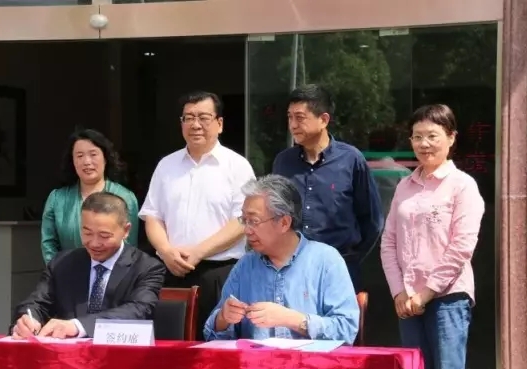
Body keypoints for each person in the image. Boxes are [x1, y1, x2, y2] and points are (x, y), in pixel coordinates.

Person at [380, 104, 484, 369]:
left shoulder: (462, 185)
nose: (424, 144)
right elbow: (388, 241)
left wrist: (425, 293)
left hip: (447, 300)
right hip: (409, 303)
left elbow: (461, 248)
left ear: (451, 138)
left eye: (432, 136)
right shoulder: (404, 186)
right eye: (417, 137)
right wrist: (398, 292)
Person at [139, 90, 255, 340]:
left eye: (203, 117)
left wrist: (199, 251)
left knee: (217, 347)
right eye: (188, 118)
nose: (195, 124)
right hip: (171, 270)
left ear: (219, 123)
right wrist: (166, 251)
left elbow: (242, 221)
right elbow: (153, 216)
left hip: (219, 274)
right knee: (169, 346)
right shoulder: (166, 165)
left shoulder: (237, 166)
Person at [204, 175, 360, 345]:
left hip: (311, 361)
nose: (247, 230)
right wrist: (223, 318)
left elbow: (346, 330)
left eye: (254, 221)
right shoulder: (245, 266)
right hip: (256, 361)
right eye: (244, 221)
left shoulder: (326, 261)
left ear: (284, 223)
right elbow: (213, 337)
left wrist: (293, 320)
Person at [272, 84, 384, 289]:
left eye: (300, 117)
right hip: (292, 269)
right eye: (289, 117)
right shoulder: (283, 162)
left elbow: (372, 221)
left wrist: (351, 257)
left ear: (323, 119)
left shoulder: (351, 160)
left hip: (340, 269)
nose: (293, 125)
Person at [12, 192, 165, 339]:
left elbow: (139, 310)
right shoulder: (62, 263)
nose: (94, 243)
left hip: (119, 353)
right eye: (87, 233)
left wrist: (78, 326)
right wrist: (28, 319)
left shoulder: (147, 268)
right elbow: (38, 302)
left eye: (104, 235)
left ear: (126, 230)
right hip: (67, 354)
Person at [41, 129, 139, 264]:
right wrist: (59, 272)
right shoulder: (57, 199)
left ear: (105, 158)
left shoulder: (125, 197)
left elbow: (129, 247)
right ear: (72, 161)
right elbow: (48, 245)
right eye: (79, 156)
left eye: (93, 154)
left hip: (113, 274)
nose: (87, 161)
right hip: (67, 273)